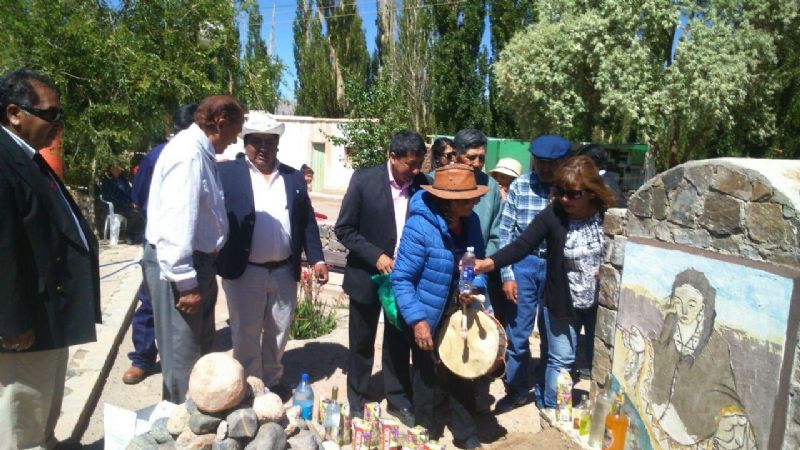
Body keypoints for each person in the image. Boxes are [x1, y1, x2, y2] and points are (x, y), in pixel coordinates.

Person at [0, 69, 100, 449]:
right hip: (23, 327)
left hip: (48, 314)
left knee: (43, 410)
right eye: (51, 114)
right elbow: (3, 248)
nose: (58, 123)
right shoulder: (3, 160)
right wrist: (11, 322)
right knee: (21, 419)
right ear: (14, 113)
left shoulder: (28, 157)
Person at [475, 155, 616, 411]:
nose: (564, 199)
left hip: (600, 305)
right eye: (560, 191)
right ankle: (554, 414)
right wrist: (489, 263)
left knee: (603, 362)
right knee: (561, 360)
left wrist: (606, 272)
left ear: (591, 193)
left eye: (572, 194)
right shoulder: (554, 214)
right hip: (562, 300)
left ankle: (602, 414)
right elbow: (521, 244)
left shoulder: (608, 216)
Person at [216, 112, 328, 392]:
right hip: (245, 271)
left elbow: (307, 222)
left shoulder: (293, 178)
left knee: (279, 332)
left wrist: (317, 258)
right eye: (256, 142)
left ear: (278, 144)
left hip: (283, 271)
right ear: (245, 143)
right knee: (245, 334)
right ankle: (250, 386)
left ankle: (273, 380)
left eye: (270, 141)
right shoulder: (227, 174)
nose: (263, 148)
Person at [144, 95, 244, 403]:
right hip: (182, 268)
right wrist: (185, 283)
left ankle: (192, 423)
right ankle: (179, 427)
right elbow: (176, 222)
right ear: (220, 123)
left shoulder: (201, 153)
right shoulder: (188, 155)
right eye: (236, 130)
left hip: (198, 264)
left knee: (200, 350)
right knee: (182, 356)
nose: (236, 139)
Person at [334, 130, 429, 427]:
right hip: (367, 277)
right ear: (392, 157)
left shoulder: (422, 186)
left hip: (404, 281)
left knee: (398, 342)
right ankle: (358, 399)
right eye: (410, 165)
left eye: (419, 165)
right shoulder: (364, 181)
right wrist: (375, 255)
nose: (415, 171)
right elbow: (344, 229)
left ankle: (398, 400)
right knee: (361, 342)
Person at [392, 164, 489, 449]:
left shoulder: (470, 222)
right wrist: (418, 320)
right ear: (450, 202)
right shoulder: (420, 226)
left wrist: (470, 289)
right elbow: (402, 278)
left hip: (458, 309)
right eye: (470, 198)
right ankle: (426, 435)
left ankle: (466, 434)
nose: (476, 202)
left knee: (462, 370)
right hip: (426, 310)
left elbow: (474, 262)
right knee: (426, 377)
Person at [619, 269, 754, 448]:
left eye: (691, 304)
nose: (683, 310)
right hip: (660, 412)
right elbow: (660, 354)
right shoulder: (671, 324)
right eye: (679, 301)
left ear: (703, 306)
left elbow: (721, 388)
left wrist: (728, 414)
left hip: (692, 426)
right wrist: (643, 346)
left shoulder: (716, 344)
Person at [493, 135, 571, 412]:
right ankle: (516, 390)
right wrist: (507, 275)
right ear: (534, 160)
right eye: (542, 163)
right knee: (518, 333)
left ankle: (546, 392)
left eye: (552, 164)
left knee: (553, 333)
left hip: (556, 269)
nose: (546, 169)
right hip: (523, 266)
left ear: (563, 163)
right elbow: (505, 233)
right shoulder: (521, 186)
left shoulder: (568, 192)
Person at [122, 103, 198, 385]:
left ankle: (182, 363)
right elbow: (138, 197)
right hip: (161, 243)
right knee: (151, 300)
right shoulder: (159, 155)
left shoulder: (201, 154)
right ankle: (142, 358)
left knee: (185, 311)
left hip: (191, 249)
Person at [100, 163, 145, 243]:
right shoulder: (107, 181)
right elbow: (107, 197)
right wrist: (128, 203)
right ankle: (128, 236)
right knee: (134, 215)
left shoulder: (122, 180)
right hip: (116, 207)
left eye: (119, 168)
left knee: (142, 213)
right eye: (115, 168)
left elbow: (129, 192)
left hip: (127, 205)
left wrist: (134, 201)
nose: (118, 169)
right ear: (111, 169)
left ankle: (136, 236)